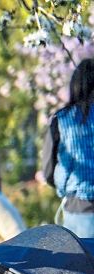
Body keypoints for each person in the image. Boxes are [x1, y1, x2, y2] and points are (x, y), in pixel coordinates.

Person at [43, 59, 94, 239]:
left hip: (79, 206)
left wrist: (61, 185)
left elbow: (48, 169)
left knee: (83, 263)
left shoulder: (62, 119)